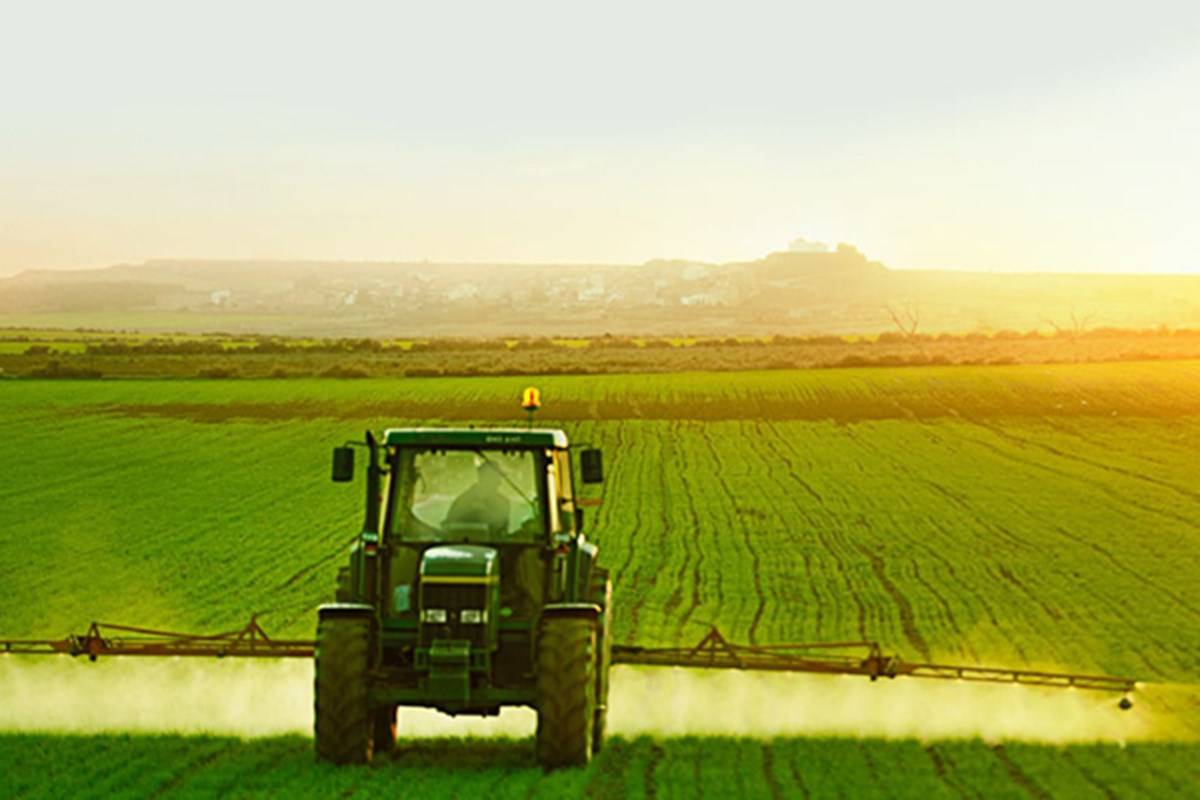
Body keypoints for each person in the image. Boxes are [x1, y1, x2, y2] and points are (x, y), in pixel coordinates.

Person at [445, 461, 511, 536]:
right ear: (483, 479)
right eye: (494, 478)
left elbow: (502, 532)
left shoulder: (503, 503)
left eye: (498, 478)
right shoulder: (463, 501)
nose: (499, 482)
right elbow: (449, 527)